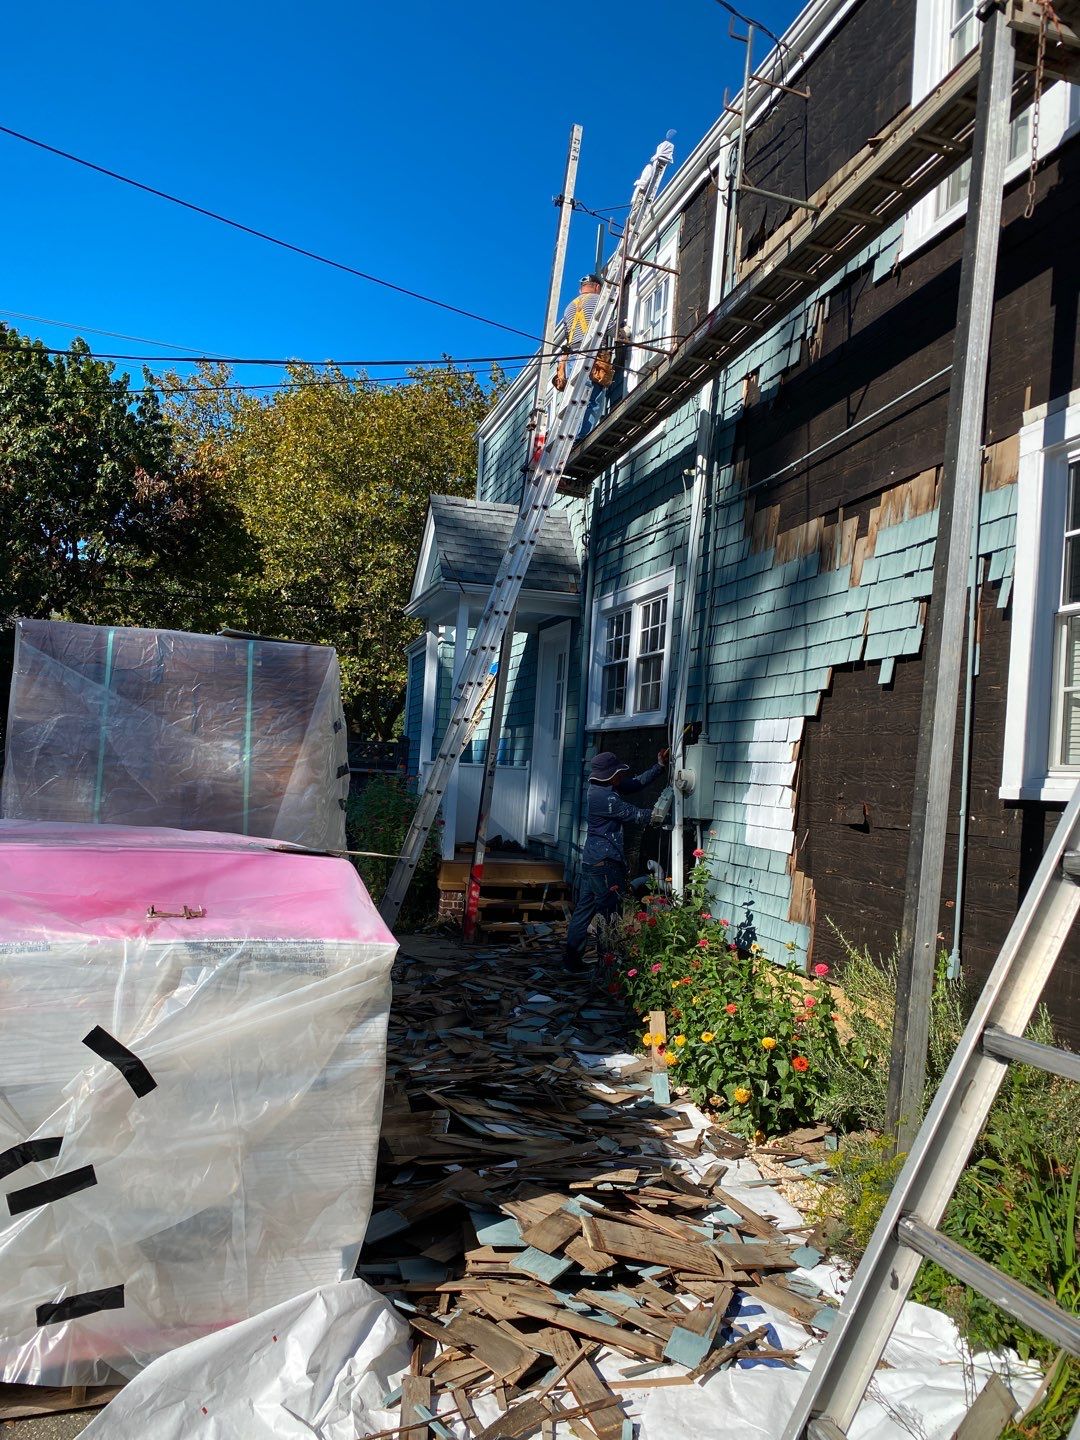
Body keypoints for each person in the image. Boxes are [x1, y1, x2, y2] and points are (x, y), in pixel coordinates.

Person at [563, 749, 670, 971]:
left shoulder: (602, 787)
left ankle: (571, 963)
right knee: (609, 916)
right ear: (609, 775)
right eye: (617, 773)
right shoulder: (605, 798)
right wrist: (666, 812)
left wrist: (658, 766)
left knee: (584, 912)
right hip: (605, 864)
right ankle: (607, 968)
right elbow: (638, 815)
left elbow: (634, 784)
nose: (621, 776)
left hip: (593, 861)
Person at [560, 274, 607, 436]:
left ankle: (569, 433)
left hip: (573, 355)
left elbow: (567, 333)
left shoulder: (569, 307)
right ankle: (582, 436)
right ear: (597, 287)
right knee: (591, 397)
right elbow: (606, 323)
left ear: (581, 288)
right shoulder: (598, 300)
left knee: (576, 396)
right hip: (590, 352)